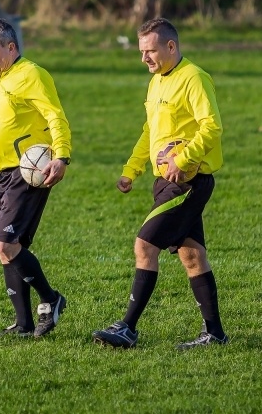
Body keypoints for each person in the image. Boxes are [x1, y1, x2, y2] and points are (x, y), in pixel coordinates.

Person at [92, 18, 228, 350]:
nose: (144, 59)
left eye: (150, 51)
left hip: (188, 181)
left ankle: (127, 327)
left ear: (170, 46)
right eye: (141, 52)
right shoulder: (156, 82)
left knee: (144, 246)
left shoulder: (193, 78)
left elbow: (212, 127)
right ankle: (215, 334)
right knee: (192, 256)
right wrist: (132, 169)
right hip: (165, 180)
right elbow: (150, 131)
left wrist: (183, 159)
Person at [0, 18, 71, 338]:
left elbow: (55, 115)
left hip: (28, 172)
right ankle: (23, 324)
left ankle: (51, 299)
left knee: (5, 243)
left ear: (11, 47)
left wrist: (61, 156)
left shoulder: (31, 74)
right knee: (7, 248)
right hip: (1, 173)